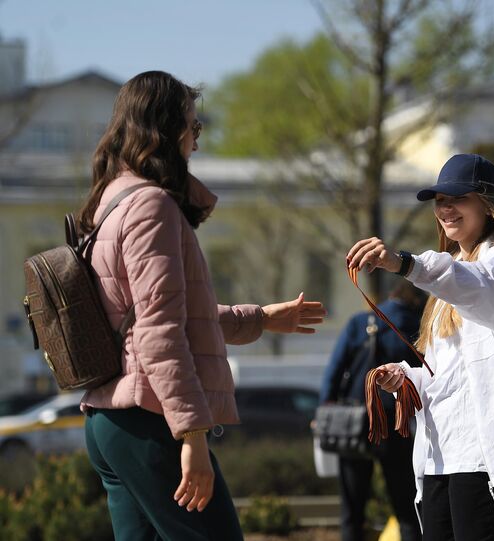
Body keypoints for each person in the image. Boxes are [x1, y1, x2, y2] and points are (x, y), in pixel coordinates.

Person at [78, 71, 327, 541]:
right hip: (150, 421)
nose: (196, 140)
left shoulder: (109, 201)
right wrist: (191, 435)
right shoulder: (151, 206)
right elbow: (158, 333)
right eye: (195, 127)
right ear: (168, 130)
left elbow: (155, 320)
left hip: (111, 420)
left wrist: (261, 318)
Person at [346, 154, 494, 541]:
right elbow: (450, 374)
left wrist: (404, 264)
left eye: (457, 198)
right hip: (441, 455)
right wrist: (407, 378)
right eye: (439, 200)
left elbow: (479, 287)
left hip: (489, 456)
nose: (445, 208)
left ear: (487, 204)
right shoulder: (448, 277)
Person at [320, 280, 426, 541]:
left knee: (353, 508)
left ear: (391, 295)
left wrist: (326, 405)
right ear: (416, 301)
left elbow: (333, 371)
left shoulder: (360, 322)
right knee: (406, 506)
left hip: (355, 422)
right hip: (396, 422)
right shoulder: (416, 325)